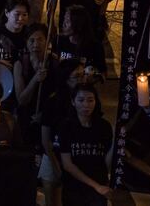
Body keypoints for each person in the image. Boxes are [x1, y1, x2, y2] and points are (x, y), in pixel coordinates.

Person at [57, 83, 113, 206]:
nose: (86, 105)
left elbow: (106, 161)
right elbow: (67, 165)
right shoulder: (66, 127)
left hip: (99, 187)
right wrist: (95, 186)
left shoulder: (104, 126)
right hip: (74, 188)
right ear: (73, 102)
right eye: (81, 100)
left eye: (90, 100)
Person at [40, 59, 85, 206]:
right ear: (65, 78)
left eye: (83, 75)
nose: (81, 79)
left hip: (76, 156)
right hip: (54, 156)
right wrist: (56, 166)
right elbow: (46, 140)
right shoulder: (53, 102)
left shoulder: (84, 99)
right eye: (77, 76)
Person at [14, 23, 57, 149]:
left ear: (47, 41)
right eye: (31, 40)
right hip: (27, 117)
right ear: (26, 42)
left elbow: (58, 95)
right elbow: (21, 100)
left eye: (40, 40)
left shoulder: (54, 63)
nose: (36, 44)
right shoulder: (21, 64)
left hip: (48, 118)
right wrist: (35, 79)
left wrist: (44, 115)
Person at [57, 5, 107, 75]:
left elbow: (103, 73)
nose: (64, 24)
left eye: (68, 21)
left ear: (79, 24)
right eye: (64, 19)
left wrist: (93, 77)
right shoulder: (59, 40)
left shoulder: (95, 47)